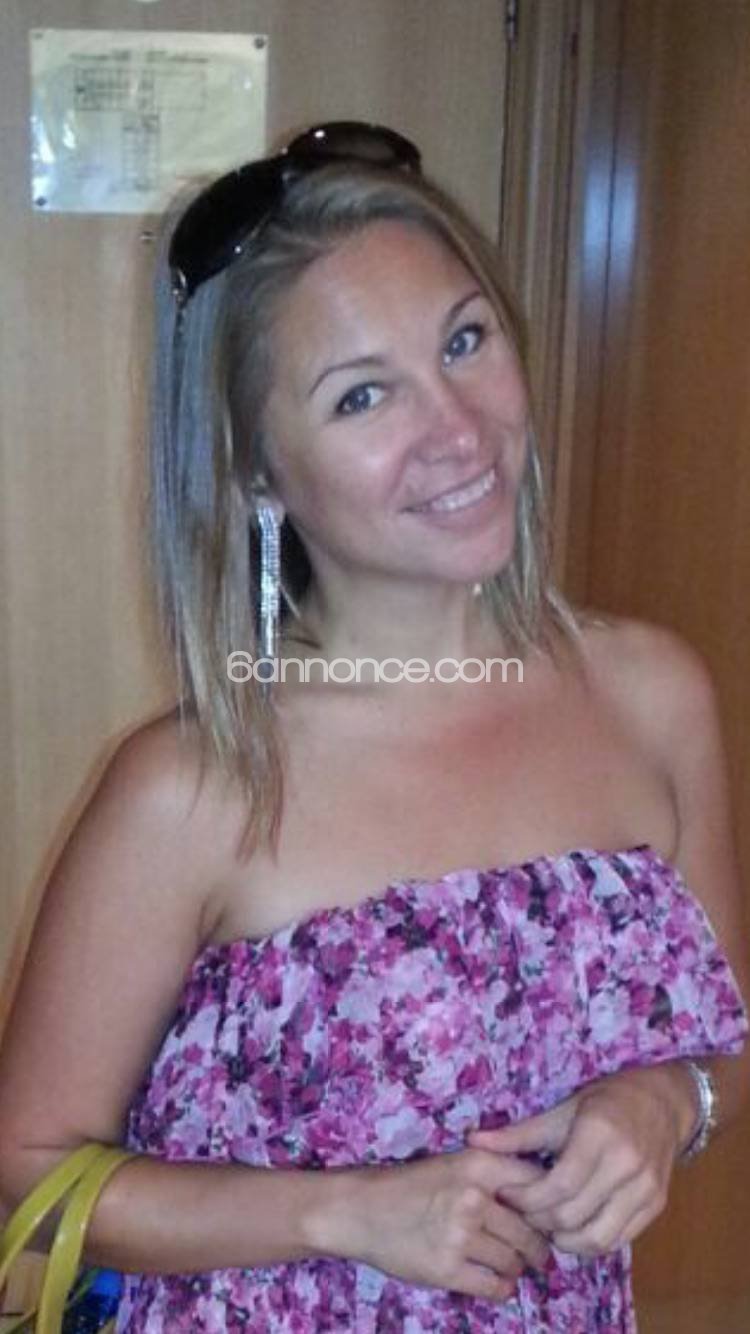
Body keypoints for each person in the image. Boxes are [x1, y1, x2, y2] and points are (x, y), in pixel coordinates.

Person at [0, 121, 748, 1333]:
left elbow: (724, 1038)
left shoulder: (656, 696)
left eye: (464, 340)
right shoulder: (195, 785)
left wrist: (669, 1100)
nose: (457, 429)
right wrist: (341, 1211)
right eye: (361, 395)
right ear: (256, 470)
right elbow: (31, 1173)